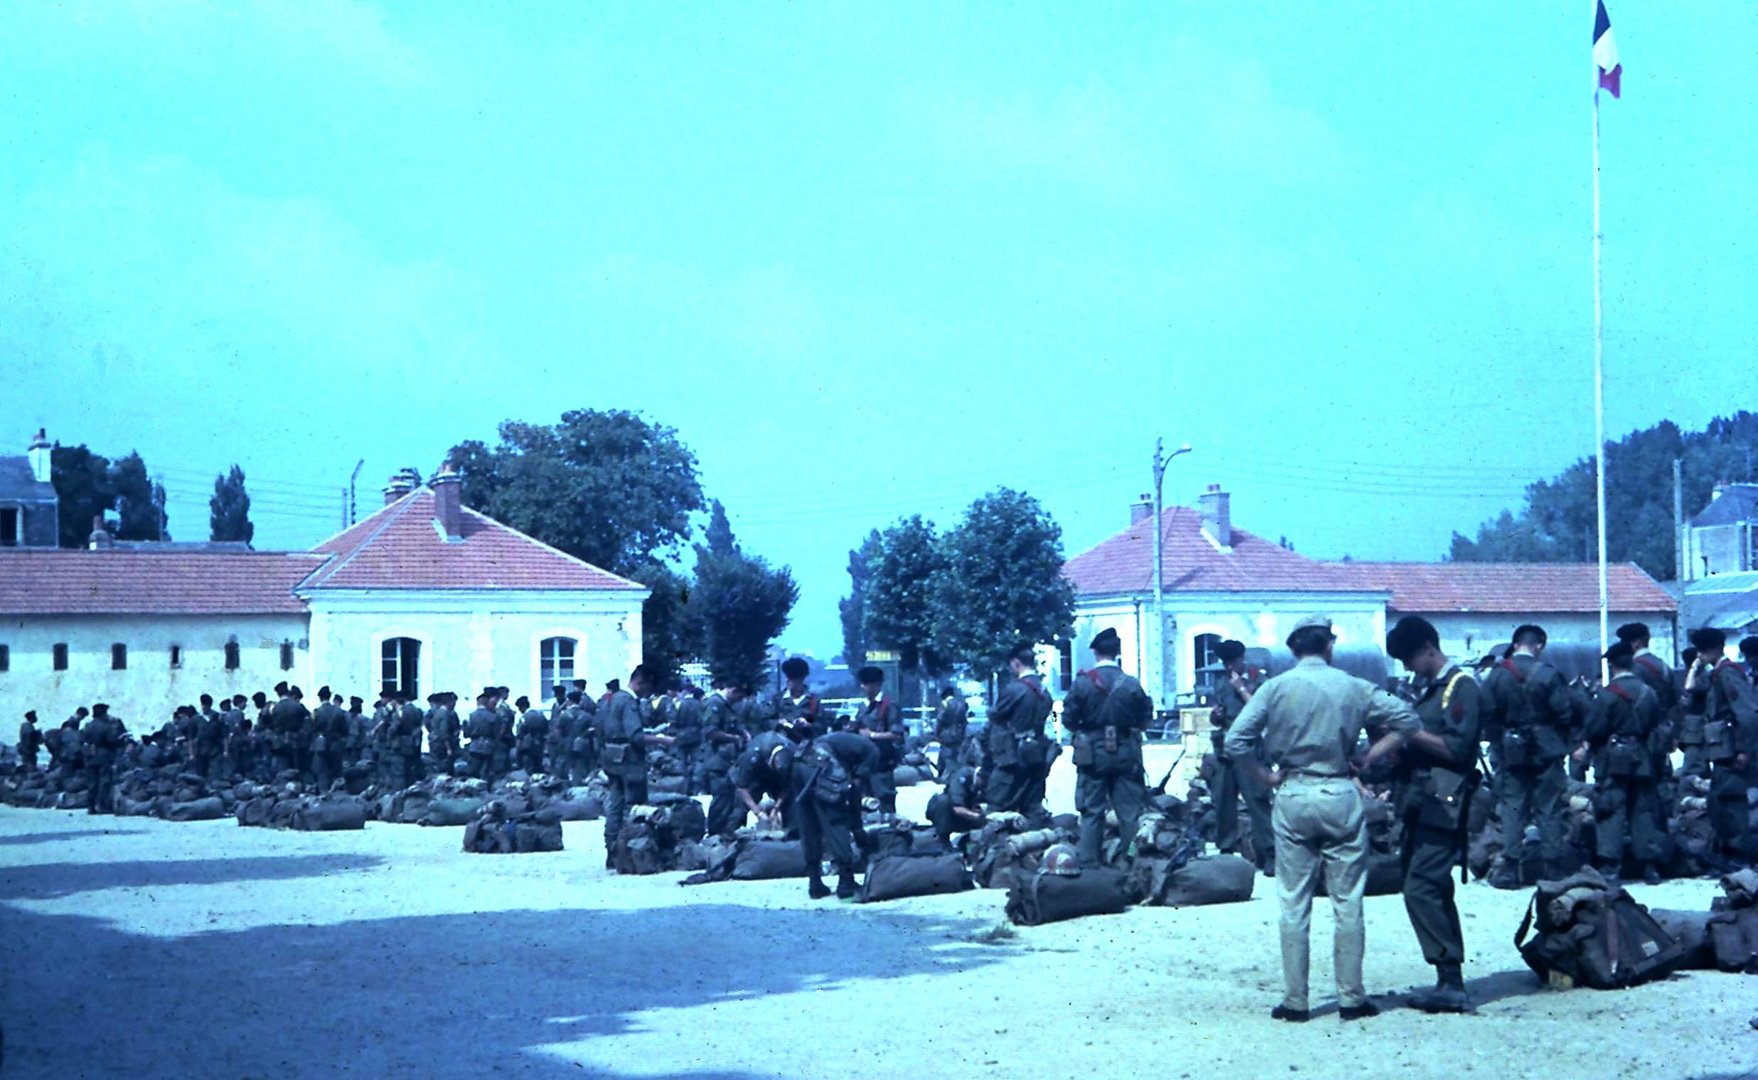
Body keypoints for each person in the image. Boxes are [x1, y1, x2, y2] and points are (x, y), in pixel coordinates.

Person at [1224, 615, 1419, 1023]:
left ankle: (1296, 1000)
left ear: (1294, 649)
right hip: (1339, 790)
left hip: (1294, 791)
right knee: (1348, 900)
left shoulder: (1274, 689)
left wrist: (1266, 775)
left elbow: (1235, 740)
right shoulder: (1352, 685)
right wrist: (1370, 755)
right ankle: (1351, 997)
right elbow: (1407, 720)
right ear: (1329, 646)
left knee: (1293, 900)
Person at [1383, 615, 1482, 1014]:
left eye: (1409, 658)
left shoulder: (1462, 688)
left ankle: (1450, 982)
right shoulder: (1427, 690)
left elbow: (1458, 749)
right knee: (1427, 884)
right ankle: (1447, 976)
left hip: (1444, 801)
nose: (1406, 667)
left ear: (1428, 647)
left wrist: (1408, 730)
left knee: (1422, 885)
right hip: (1420, 800)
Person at [1480, 625, 1575, 887]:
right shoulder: (1548, 674)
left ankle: (1511, 870)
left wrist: (1501, 742)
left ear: (1515, 643)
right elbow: (1565, 712)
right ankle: (1553, 869)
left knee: (1512, 807)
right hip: (1547, 748)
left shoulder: (1496, 676)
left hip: (1511, 749)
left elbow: (1487, 713)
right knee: (1550, 807)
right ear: (1540, 645)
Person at [1061, 627, 1153, 867]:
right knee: (1130, 813)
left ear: (1095, 652)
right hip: (1126, 751)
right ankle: (1133, 862)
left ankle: (1090, 864)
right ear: (1117, 652)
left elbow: (1068, 719)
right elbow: (1145, 718)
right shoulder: (1132, 684)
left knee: (1092, 811)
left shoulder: (1082, 683)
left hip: (1092, 754)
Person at [1584, 642, 1664, 885]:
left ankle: (1611, 867)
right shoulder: (1649, 692)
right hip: (1642, 758)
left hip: (1612, 760)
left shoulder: (1607, 694)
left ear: (1611, 665)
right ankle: (1649, 867)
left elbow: (1594, 729)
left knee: (1610, 810)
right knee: (1643, 811)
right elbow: (1656, 726)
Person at [1689, 627, 1758, 869]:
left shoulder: (1728, 674)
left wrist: (1744, 750)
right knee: (1719, 801)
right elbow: (1690, 693)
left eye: (1704, 650)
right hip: (1723, 749)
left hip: (1732, 750)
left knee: (1731, 801)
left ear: (1715, 649)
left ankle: (1739, 857)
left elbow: (1748, 715)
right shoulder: (1717, 674)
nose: (1701, 655)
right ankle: (1729, 852)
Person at [597, 665, 673, 869]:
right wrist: (662, 740)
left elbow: (600, 729)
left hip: (611, 757)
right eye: (649, 688)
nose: (648, 693)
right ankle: (635, 854)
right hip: (630, 762)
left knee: (614, 805)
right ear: (641, 682)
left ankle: (613, 852)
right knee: (636, 807)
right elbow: (636, 736)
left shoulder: (609, 699)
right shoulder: (629, 701)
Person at [1209, 639, 1275, 875]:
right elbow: (1218, 715)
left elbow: (1261, 710)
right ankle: (1226, 850)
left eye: (1232, 661)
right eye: (1225, 663)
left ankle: (1269, 852)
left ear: (1241, 658)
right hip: (1226, 750)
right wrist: (1215, 716)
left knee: (1256, 801)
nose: (1229, 667)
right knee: (1223, 801)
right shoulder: (1220, 682)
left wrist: (1241, 688)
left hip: (1250, 749)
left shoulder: (1258, 678)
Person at [794, 729, 880, 899]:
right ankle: (846, 883)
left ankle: (815, 882)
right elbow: (854, 790)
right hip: (823, 766)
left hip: (800, 765)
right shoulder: (873, 752)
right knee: (836, 821)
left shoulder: (840, 740)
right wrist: (857, 828)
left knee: (809, 826)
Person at [984, 647, 1053, 820]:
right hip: (1037, 754)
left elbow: (995, 714)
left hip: (1012, 756)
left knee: (996, 804)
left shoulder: (1014, 689)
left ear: (1016, 663)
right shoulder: (1045, 691)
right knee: (1032, 805)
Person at [731, 722, 808, 832]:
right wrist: (758, 812)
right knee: (740, 808)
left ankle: (791, 834)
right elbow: (741, 787)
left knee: (792, 804)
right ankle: (731, 835)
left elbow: (788, 786)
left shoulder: (793, 753)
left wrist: (776, 808)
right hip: (756, 774)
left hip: (776, 778)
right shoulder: (753, 754)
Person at [854, 666, 908, 816]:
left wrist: (871, 735)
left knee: (885, 803)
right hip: (863, 764)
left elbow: (897, 735)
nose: (862, 687)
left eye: (865, 684)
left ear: (875, 685)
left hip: (882, 764)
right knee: (864, 804)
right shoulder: (862, 707)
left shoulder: (889, 706)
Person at [701, 681, 749, 836]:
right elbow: (711, 732)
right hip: (717, 760)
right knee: (721, 800)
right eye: (739, 697)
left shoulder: (725, 705)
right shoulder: (715, 704)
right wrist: (735, 738)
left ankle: (727, 834)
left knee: (729, 799)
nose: (739, 701)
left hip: (726, 760)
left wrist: (742, 732)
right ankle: (715, 835)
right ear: (733, 690)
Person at [925, 739, 986, 846]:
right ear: (979, 775)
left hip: (966, 814)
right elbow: (956, 807)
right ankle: (943, 840)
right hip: (947, 813)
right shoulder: (963, 775)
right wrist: (977, 816)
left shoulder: (985, 784)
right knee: (943, 801)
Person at [82, 704, 127, 815]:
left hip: (90, 756)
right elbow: (111, 740)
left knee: (92, 783)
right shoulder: (105, 726)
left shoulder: (88, 725)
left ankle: (90, 806)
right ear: (102, 713)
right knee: (104, 781)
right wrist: (121, 740)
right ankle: (101, 805)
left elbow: (82, 738)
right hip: (103, 756)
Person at [773, 658, 824, 736]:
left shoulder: (813, 701)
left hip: (806, 741)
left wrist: (808, 724)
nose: (789, 682)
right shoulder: (778, 699)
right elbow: (765, 721)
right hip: (782, 740)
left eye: (794, 679)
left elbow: (822, 724)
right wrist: (778, 723)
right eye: (788, 678)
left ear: (802, 679)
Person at [933, 686, 970, 778]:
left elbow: (940, 720)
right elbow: (964, 722)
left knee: (946, 755)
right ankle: (956, 773)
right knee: (957, 755)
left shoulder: (944, 704)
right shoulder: (961, 704)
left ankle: (944, 774)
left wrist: (936, 734)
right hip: (959, 734)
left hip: (947, 734)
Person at [516, 695, 549, 775]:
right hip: (540, 745)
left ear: (522, 707)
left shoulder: (524, 718)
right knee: (538, 767)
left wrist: (518, 751)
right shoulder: (541, 715)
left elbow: (520, 734)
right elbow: (547, 729)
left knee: (529, 769)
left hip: (528, 746)